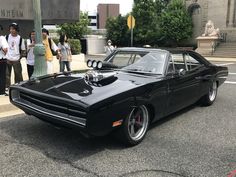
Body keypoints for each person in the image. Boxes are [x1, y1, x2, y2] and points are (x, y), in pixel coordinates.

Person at [5, 22, 25, 90]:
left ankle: (18, 88)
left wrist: (19, 58)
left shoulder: (20, 38)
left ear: (16, 30)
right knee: (7, 75)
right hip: (7, 59)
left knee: (18, 75)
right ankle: (7, 88)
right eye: (10, 29)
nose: (11, 30)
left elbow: (23, 49)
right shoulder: (6, 37)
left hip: (16, 59)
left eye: (13, 29)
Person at [0, 25, 9, 96]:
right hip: (1, 59)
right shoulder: (2, 38)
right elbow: (5, 49)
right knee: (2, 75)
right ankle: (2, 91)